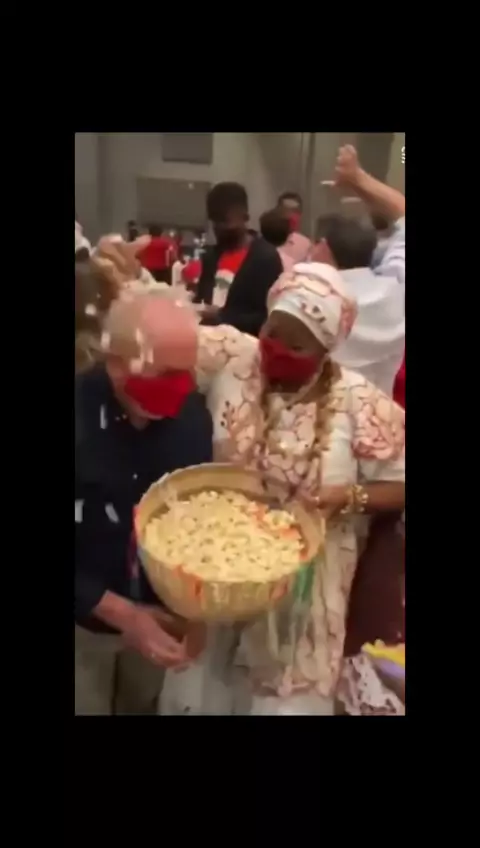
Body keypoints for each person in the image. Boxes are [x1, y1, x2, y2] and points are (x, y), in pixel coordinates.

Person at [158, 261, 405, 715]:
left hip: (305, 590)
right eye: (273, 333)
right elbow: (159, 337)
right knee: (205, 693)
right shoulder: (234, 358)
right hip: (218, 565)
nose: (277, 350)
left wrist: (351, 497)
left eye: (296, 345)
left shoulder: (356, 401)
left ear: (325, 350)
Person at [75, 293, 212, 714]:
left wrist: (196, 610)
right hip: (84, 624)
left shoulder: (192, 417)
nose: (181, 388)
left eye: (187, 373)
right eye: (165, 374)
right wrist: (122, 614)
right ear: (116, 363)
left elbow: (196, 519)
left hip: (161, 620)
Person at [310, 146, 405, 397]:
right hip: (379, 416)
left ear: (322, 248)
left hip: (316, 417)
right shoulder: (396, 291)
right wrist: (358, 179)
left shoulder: (309, 301)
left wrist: (356, 179)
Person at [193, 182, 283, 337]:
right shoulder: (211, 256)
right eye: (214, 222)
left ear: (245, 216)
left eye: (225, 221)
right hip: (207, 342)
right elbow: (202, 299)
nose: (218, 228)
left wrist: (222, 317)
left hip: (244, 346)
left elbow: (268, 317)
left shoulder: (265, 258)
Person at [277, 191, 311, 264]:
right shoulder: (266, 243)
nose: (292, 216)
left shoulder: (305, 244)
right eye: (287, 211)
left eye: (296, 211)